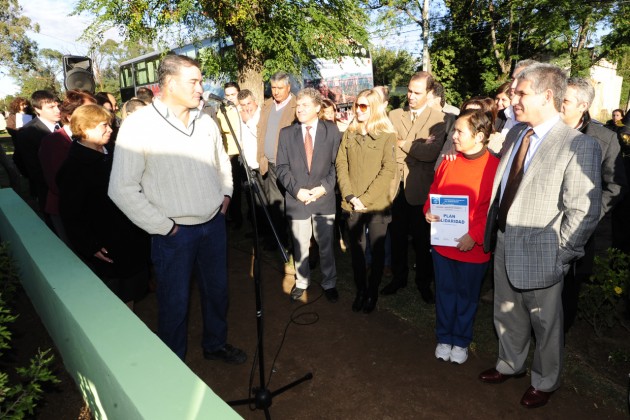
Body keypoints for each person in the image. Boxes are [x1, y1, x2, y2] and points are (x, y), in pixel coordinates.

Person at [108, 54, 246, 363]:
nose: (201, 88)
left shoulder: (206, 121)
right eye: (194, 82)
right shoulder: (138, 126)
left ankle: (215, 344)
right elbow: (120, 188)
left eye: (200, 81)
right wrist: (164, 227)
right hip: (173, 234)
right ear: (169, 84)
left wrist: (225, 193)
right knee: (174, 303)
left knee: (217, 293)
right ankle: (174, 368)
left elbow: (221, 161)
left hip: (213, 226)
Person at [479, 63, 602, 408]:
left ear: (548, 96)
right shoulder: (519, 133)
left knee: (546, 323)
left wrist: (560, 255)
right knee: (505, 311)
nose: (512, 100)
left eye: (521, 93)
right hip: (504, 240)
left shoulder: (579, 146)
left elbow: (584, 210)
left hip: (543, 253)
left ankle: (545, 381)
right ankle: (510, 363)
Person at [424, 110, 499, 364]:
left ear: (479, 136)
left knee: (466, 297)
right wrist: (428, 211)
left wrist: (475, 235)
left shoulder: (494, 167)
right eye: (454, 130)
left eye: (459, 132)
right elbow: (435, 191)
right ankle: (444, 336)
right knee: (445, 292)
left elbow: (491, 209)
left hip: (473, 249)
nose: (453, 136)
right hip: (444, 247)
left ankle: (461, 340)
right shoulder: (448, 161)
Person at [57, 104, 148, 309]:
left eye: (110, 125)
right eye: (103, 126)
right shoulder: (73, 167)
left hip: (132, 235)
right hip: (107, 243)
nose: (110, 129)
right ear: (84, 129)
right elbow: (71, 214)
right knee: (117, 293)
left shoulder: (116, 152)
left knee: (132, 288)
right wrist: (90, 245)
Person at [560, 77, 627, 333]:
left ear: (583, 105)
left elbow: (616, 185)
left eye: (565, 100)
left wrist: (587, 215)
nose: (559, 105)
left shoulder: (605, 138)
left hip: (578, 235)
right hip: (541, 226)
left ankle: (555, 347)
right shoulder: (544, 130)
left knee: (567, 294)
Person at [383, 72, 447, 302]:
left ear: (429, 93)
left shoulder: (439, 119)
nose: (410, 96)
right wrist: (412, 147)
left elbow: (430, 153)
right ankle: (398, 278)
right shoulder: (394, 114)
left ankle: (423, 283)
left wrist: (401, 143)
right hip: (395, 188)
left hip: (421, 190)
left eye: (417, 92)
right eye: (409, 90)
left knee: (422, 242)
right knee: (398, 237)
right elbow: (387, 148)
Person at [276, 88, 341, 303]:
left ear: (316, 107)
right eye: (298, 105)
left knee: (326, 245)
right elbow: (282, 167)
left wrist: (324, 187)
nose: (299, 109)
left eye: (304, 105)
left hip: (324, 199)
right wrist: (297, 191)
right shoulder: (286, 133)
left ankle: (329, 282)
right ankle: (302, 282)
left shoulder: (331, 131)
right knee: (300, 245)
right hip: (298, 200)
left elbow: (337, 165)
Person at [336, 89, 397, 313]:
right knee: (357, 252)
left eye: (363, 106)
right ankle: (361, 290)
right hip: (351, 204)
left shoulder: (387, 134)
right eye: (356, 106)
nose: (358, 110)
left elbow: (389, 169)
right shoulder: (349, 133)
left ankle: (372, 292)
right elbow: (341, 164)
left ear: (375, 108)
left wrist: (365, 199)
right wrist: (351, 196)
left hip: (377, 205)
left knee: (377, 251)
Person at [39, 90, 97, 243]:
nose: (97, 115)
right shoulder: (53, 142)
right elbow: (58, 184)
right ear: (70, 116)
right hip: (65, 212)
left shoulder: (98, 138)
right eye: (89, 112)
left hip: (94, 211)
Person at [257, 72, 297, 250]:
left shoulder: (297, 107)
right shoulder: (267, 105)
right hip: (269, 164)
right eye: (273, 88)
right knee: (275, 205)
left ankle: (297, 242)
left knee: (291, 205)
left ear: (288, 87)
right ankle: (280, 242)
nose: (276, 92)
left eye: (280, 88)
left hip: (288, 165)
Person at [13, 90, 61, 216]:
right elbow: (32, 168)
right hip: (49, 192)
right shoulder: (28, 133)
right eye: (51, 107)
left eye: (58, 105)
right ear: (37, 109)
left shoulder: (66, 125)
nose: (57, 110)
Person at [217, 82, 245, 229]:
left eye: (233, 94)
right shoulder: (222, 109)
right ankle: (235, 217)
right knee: (232, 187)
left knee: (246, 189)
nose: (230, 98)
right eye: (227, 95)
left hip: (242, 152)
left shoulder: (243, 108)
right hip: (229, 153)